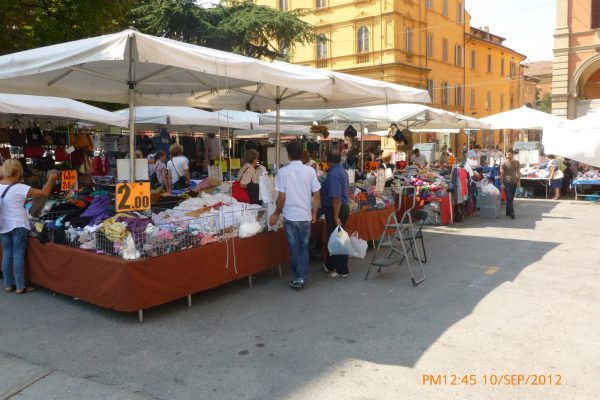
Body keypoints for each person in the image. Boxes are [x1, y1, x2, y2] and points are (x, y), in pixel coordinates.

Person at [269, 141, 321, 290]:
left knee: (294, 248)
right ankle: (301, 277)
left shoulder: (283, 172)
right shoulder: (310, 171)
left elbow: (281, 198)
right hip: (305, 215)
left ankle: (298, 277)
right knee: (304, 248)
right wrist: (315, 213)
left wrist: (277, 213)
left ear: (289, 155)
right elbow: (317, 195)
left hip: (291, 216)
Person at [1, 160, 57, 294]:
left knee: (7, 254)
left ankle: (8, 285)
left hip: (3, 226)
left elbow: (10, 200)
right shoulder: (20, 187)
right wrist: (51, 178)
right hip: (19, 225)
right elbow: (44, 193)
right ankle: (20, 286)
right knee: (18, 255)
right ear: (18, 173)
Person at [321, 149, 350, 278]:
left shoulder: (333, 174)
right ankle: (330, 264)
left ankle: (341, 269)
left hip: (336, 208)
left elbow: (336, 197)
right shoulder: (341, 170)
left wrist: (335, 216)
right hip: (339, 207)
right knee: (335, 237)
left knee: (337, 239)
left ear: (328, 161)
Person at [500, 149, 521, 219]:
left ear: (512, 154)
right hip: (506, 182)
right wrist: (502, 183)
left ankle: (507, 212)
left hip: (514, 182)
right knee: (509, 197)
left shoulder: (517, 162)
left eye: (509, 154)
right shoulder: (504, 163)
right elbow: (501, 174)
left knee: (511, 198)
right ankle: (512, 212)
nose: (507, 156)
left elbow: (518, 172)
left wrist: (518, 181)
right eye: (506, 154)